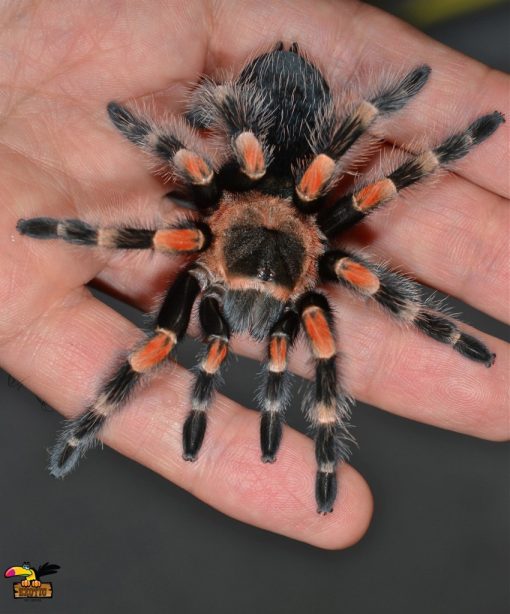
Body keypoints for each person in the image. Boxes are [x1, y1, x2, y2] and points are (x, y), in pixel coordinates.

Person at [0, 0, 507, 549]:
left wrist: (446, 327)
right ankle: (93, 419)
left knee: (322, 257)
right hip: (274, 169)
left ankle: (95, 421)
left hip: (268, 166)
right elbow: (171, 173)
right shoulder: (212, 244)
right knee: (294, 218)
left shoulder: (228, 248)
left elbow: (390, 194)